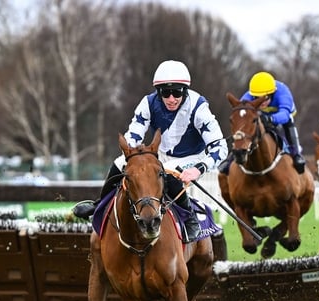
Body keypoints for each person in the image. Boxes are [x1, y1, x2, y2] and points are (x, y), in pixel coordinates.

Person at [72, 60, 228, 243]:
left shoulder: (199, 107)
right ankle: (99, 203)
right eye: (165, 92)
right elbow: (134, 133)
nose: (171, 98)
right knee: (120, 162)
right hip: (160, 155)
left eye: (177, 92)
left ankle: (190, 217)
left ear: (185, 90)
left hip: (193, 157)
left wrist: (198, 169)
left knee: (169, 171)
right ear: (158, 91)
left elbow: (220, 147)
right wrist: (131, 153)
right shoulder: (148, 103)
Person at [218, 71, 306, 174]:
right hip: (261, 115)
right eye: (256, 98)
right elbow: (241, 114)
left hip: (282, 116)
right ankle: (231, 158)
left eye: (265, 98)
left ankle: (296, 154)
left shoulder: (283, 93)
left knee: (288, 124)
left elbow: (285, 115)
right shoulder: (247, 96)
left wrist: (271, 119)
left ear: (272, 94)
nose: (262, 102)